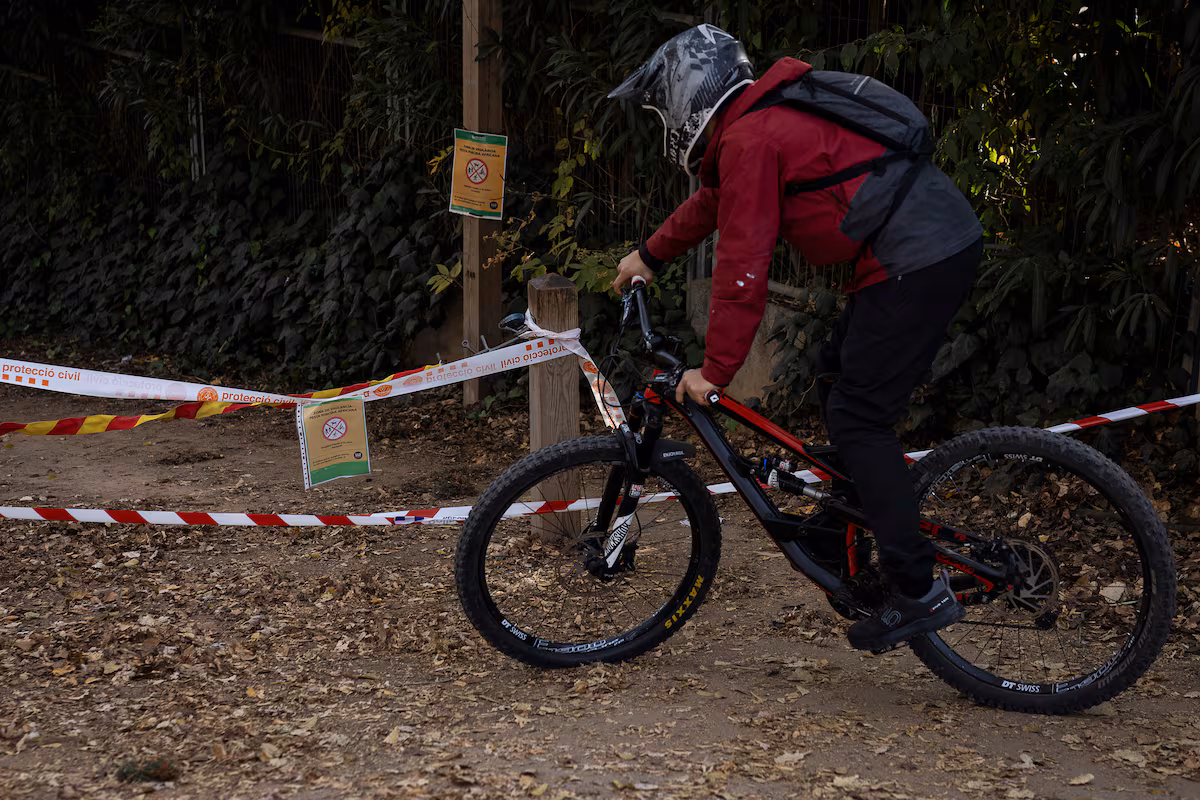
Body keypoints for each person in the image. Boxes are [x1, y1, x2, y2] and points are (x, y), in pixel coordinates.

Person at [607, 24, 982, 653]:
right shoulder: (756, 124)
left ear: (690, 95)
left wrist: (716, 370)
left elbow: (744, 262)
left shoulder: (752, 136)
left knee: (860, 416)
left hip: (918, 256)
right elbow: (713, 205)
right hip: (908, 255)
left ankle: (918, 589)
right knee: (839, 380)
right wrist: (648, 254)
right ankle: (840, 530)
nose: (665, 120)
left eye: (665, 106)